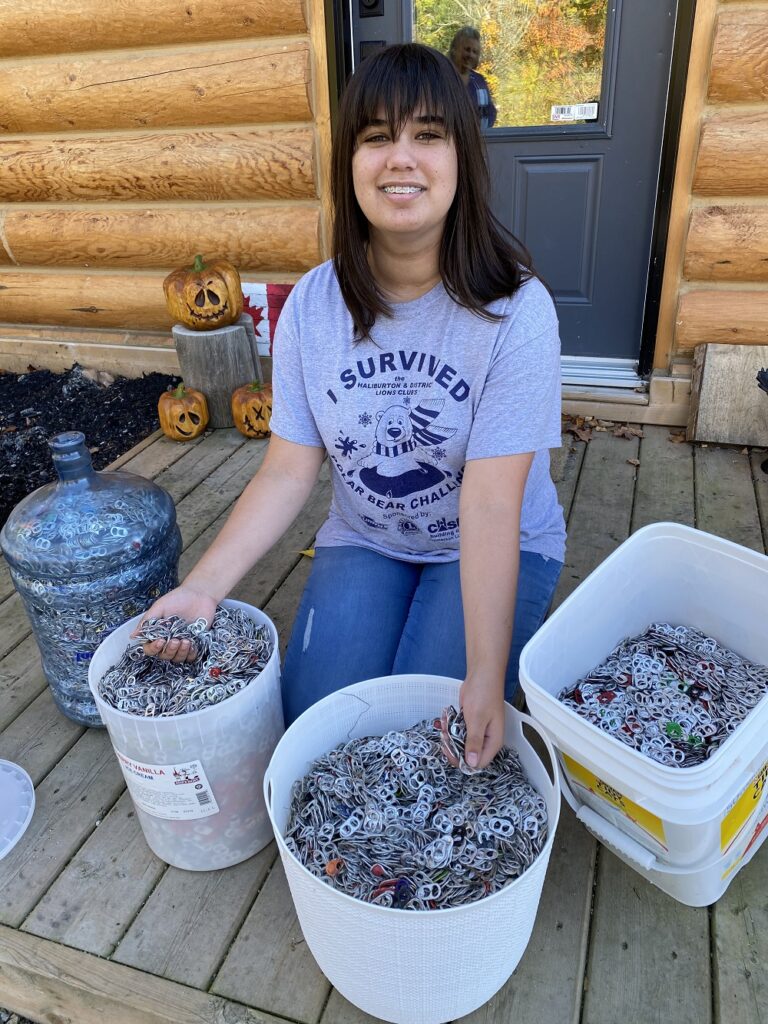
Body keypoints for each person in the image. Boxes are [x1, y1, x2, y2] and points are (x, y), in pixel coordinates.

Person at [136, 43, 565, 770]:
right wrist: (201, 588)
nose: (402, 158)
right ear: (350, 163)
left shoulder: (517, 310)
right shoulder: (313, 304)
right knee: (319, 732)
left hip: (495, 542)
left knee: (428, 747)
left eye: (428, 135)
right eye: (376, 137)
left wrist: (486, 677)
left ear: (463, 158)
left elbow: (491, 504)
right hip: (367, 537)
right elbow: (287, 471)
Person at [448, 26, 497, 129]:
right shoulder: (441, 77)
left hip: (478, 141)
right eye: (467, 49)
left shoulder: (479, 81)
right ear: (454, 49)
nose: (470, 55)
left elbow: (490, 112)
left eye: (475, 52)